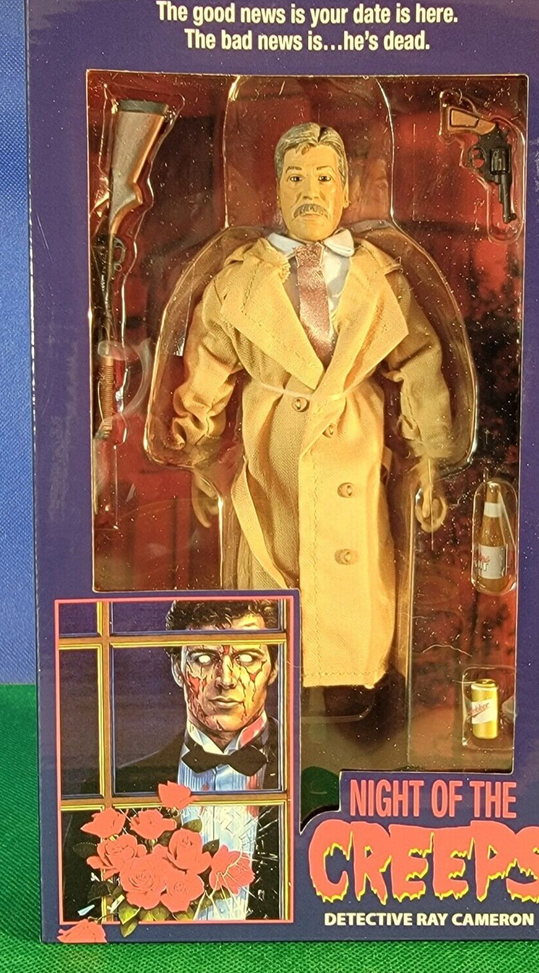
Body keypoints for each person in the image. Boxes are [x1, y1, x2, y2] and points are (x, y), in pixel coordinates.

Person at [147, 122, 455, 697]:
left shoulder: (380, 277)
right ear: (277, 189)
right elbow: (209, 363)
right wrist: (198, 454)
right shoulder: (238, 279)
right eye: (295, 178)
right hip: (274, 447)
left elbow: (418, 359)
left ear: (346, 190)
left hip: (354, 443)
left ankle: (354, 688)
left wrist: (430, 454)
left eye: (323, 178)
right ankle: (268, 686)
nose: (310, 191)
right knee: (274, 573)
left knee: (354, 577)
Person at [63, 598, 282, 921]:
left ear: (274, 669)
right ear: (177, 668)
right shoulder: (108, 791)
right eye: (203, 658)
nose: (226, 679)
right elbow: (77, 914)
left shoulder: (314, 786)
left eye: (248, 658)